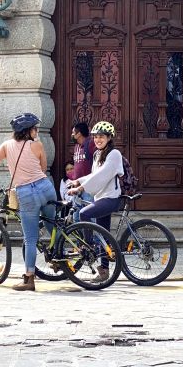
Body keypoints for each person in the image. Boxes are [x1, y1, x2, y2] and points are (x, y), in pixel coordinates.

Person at [0, 113, 56, 292]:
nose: (37, 131)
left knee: (30, 238)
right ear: (27, 131)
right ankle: (58, 258)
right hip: (45, 187)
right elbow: (42, 168)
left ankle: (29, 279)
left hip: (26, 192)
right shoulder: (38, 145)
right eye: (35, 128)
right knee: (53, 225)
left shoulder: (6, 146)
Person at [66, 121, 123, 283]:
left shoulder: (114, 154)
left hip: (111, 198)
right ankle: (104, 271)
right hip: (101, 197)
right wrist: (77, 181)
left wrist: (81, 188)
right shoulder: (98, 154)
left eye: (101, 137)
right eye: (96, 137)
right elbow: (94, 175)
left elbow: (103, 175)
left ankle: (88, 246)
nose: (98, 140)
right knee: (104, 235)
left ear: (109, 138)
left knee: (84, 213)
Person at [67, 122, 96, 206]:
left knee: (89, 215)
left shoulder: (91, 144)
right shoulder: (76, 146)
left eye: (73, 132)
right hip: (76, 187)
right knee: (76, 216)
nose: (72, 135)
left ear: (78, 134)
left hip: (88, 187)